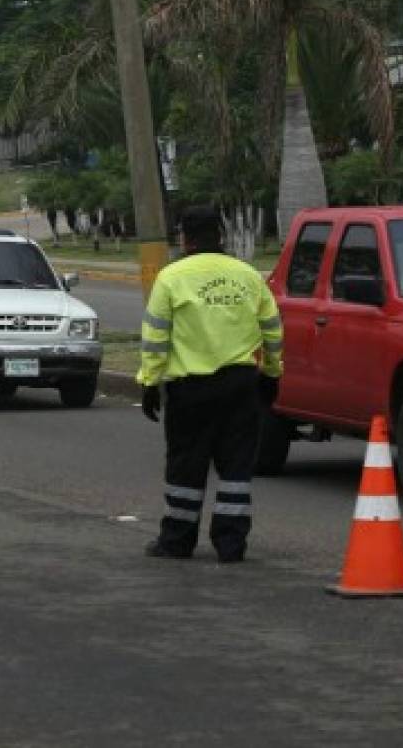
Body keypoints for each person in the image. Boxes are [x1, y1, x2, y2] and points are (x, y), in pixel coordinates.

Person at [137, 206, 283, 563]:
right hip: (241, 386)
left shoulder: (172, 278)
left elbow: (155, 339)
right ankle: (231, 545)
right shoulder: (248, 277)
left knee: (186, 465)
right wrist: (273, 375)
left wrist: (149, 383)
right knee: (236, 468)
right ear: (220, 235)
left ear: (184, 238)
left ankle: (177, 540)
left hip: (191, 389)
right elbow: (273, 332)